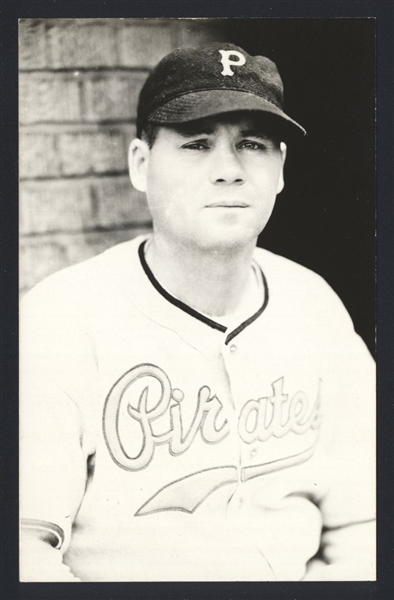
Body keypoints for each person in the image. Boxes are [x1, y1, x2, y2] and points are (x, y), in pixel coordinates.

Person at [19, 43, 376, 582]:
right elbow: (22, 550)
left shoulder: (315, 307)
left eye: (252, 144)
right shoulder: (61, 319)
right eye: (197, 144)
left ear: (280, 170)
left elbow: (366, 527)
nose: (228, 171)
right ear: (141, 164)